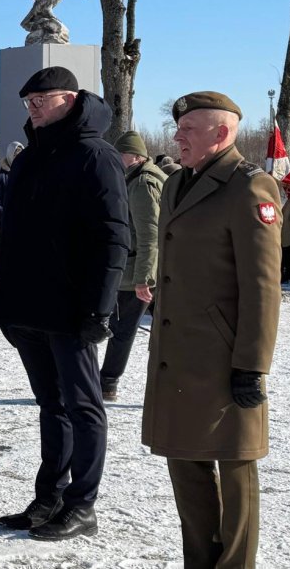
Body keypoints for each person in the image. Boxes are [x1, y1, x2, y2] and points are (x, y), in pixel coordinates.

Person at [143, 92, 281, 569]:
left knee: (234, 462)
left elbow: (262, 286)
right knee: (184, 459)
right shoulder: (176, 183)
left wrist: (252, 365)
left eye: (188, 130)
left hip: (224, 355)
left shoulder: (249, 187)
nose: (177, 137)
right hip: (178, 350)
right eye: (177, 128)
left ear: (221, 134)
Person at [0, 66, 129, 541]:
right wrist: (6, 305)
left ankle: (82, 504)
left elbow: (113, 237)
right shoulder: (30, 157)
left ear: (69, 100)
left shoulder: (96, 155)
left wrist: (99, 308)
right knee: (51, 405)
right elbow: (13, 236)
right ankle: (49, 496)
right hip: (29, 307)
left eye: (40, 100)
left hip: (72, 308)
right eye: (28, 101)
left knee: (83, 407)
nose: (31, 107)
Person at [100, 131, 165, 402]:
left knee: (122, 330)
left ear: (135, 157)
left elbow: (150, 235)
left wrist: (143, 279)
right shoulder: (140, 178)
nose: (116, 159)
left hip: (137, 271)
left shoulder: (142, 184)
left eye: (121, 155)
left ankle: (107, 382)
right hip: (141, 267)